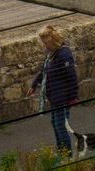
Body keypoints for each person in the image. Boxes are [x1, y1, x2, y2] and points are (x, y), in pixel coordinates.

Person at [30, 24, 82, 154]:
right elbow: (45, 70)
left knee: (61, 126)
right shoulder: (52, 54)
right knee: (56, 124)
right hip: (55, 96)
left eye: (46, 43)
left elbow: (72, 77)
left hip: (62, 98)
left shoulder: (64, 55)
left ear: (53, 42)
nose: (44, 46)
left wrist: (73, 97)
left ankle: (66, 154)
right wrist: (34, 84)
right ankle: (61, 151)